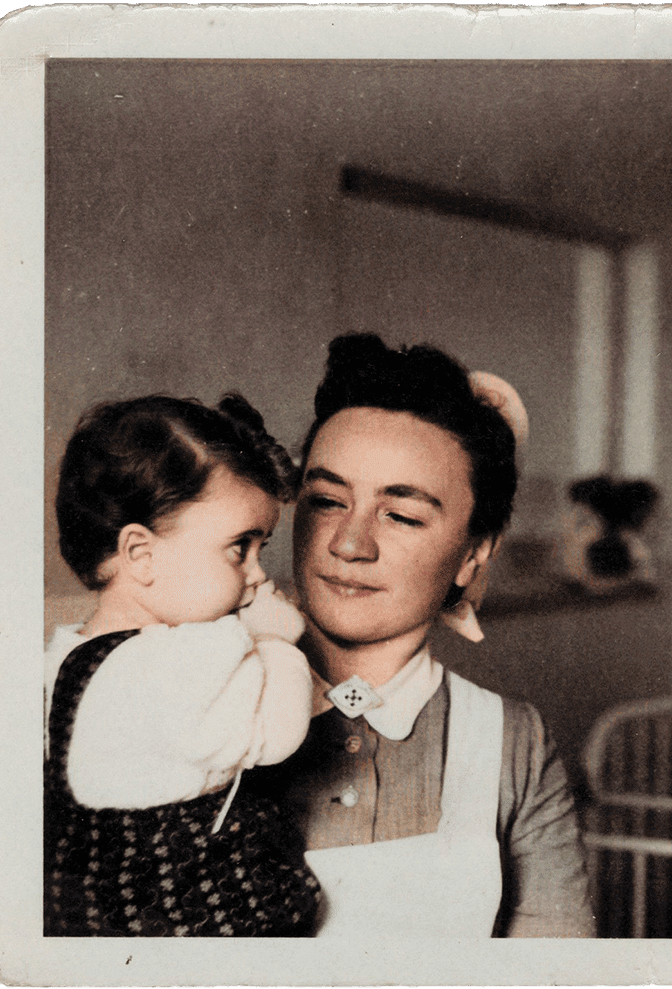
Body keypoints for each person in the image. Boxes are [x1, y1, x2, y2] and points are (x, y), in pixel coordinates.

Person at [242, 333, 595, 938]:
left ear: (472, 555)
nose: (349, 544)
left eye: (401, 515)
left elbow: (557, 964)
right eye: (326, 500)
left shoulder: (512, 743)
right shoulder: (210, 698)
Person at [44, 394, 320, 936]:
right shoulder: (183, 660)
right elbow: (282, 733)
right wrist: (281, 639)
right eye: (240, 548)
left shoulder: (63, 659)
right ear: (141, 556)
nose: (259, 575)